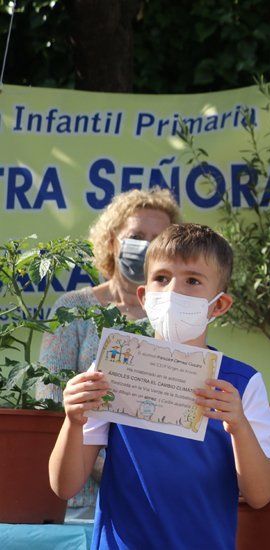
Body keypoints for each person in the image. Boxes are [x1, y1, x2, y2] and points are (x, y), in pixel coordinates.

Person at [48, 223, 270, 549]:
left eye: (193, 281)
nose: (173, 292)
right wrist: (73, 420)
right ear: (144, 295)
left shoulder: (242, 384)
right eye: (161, 278)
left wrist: (238, 426)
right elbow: (65, 486)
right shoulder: (113, 369)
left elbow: (260, 495)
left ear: (219, 305)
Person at [37, 187, 180, 518]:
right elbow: (49, 398)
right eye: (136, 235)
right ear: (113, 240)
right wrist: (100, 463)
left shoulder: (173, 319)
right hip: (79, 503)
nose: (144, 246)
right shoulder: (73, 309)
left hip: (149, 501)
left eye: (156, 239)